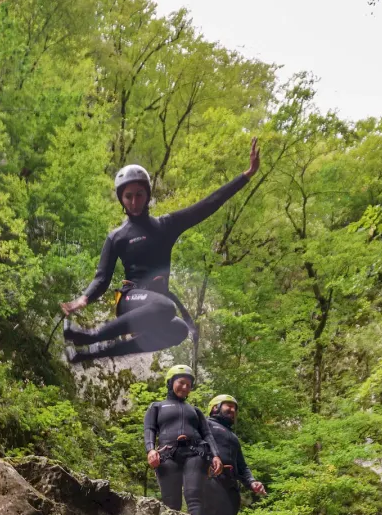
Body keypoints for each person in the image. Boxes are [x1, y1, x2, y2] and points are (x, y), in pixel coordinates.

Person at [60, 138, 260, 363]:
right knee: (166, 307)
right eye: (128, 196)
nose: (134, 201)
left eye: (139, 195)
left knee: (179, 330)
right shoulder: (117, 236)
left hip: (155, 305)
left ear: (147, 196)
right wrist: (83, 299)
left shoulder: (166, 226)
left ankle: (88, 354)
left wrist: (246, 175)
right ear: (121, 199)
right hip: (130, 299)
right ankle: (90, 336)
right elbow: (102, 278)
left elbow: (208, 204)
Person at [143, 365, 223, 515]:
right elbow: (149, 429)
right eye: (181, 382)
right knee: (171, 501)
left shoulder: (195, 411)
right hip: (167, 455)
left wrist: (216, 455)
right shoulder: (157, 406)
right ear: (171, 382)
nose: (185, 387)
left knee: (194, 497)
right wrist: (150, 450)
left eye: (188, 385)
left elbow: (207, 434)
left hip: (195, 453)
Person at [201, 394, 266, 515]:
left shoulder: (233, 437)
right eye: (229, 406)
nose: (233, 411)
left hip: (230, 486)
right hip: (209, 480)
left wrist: (252, 482)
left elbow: (241, 466)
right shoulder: (206, 425)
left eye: (235, 409)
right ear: (215, 408)